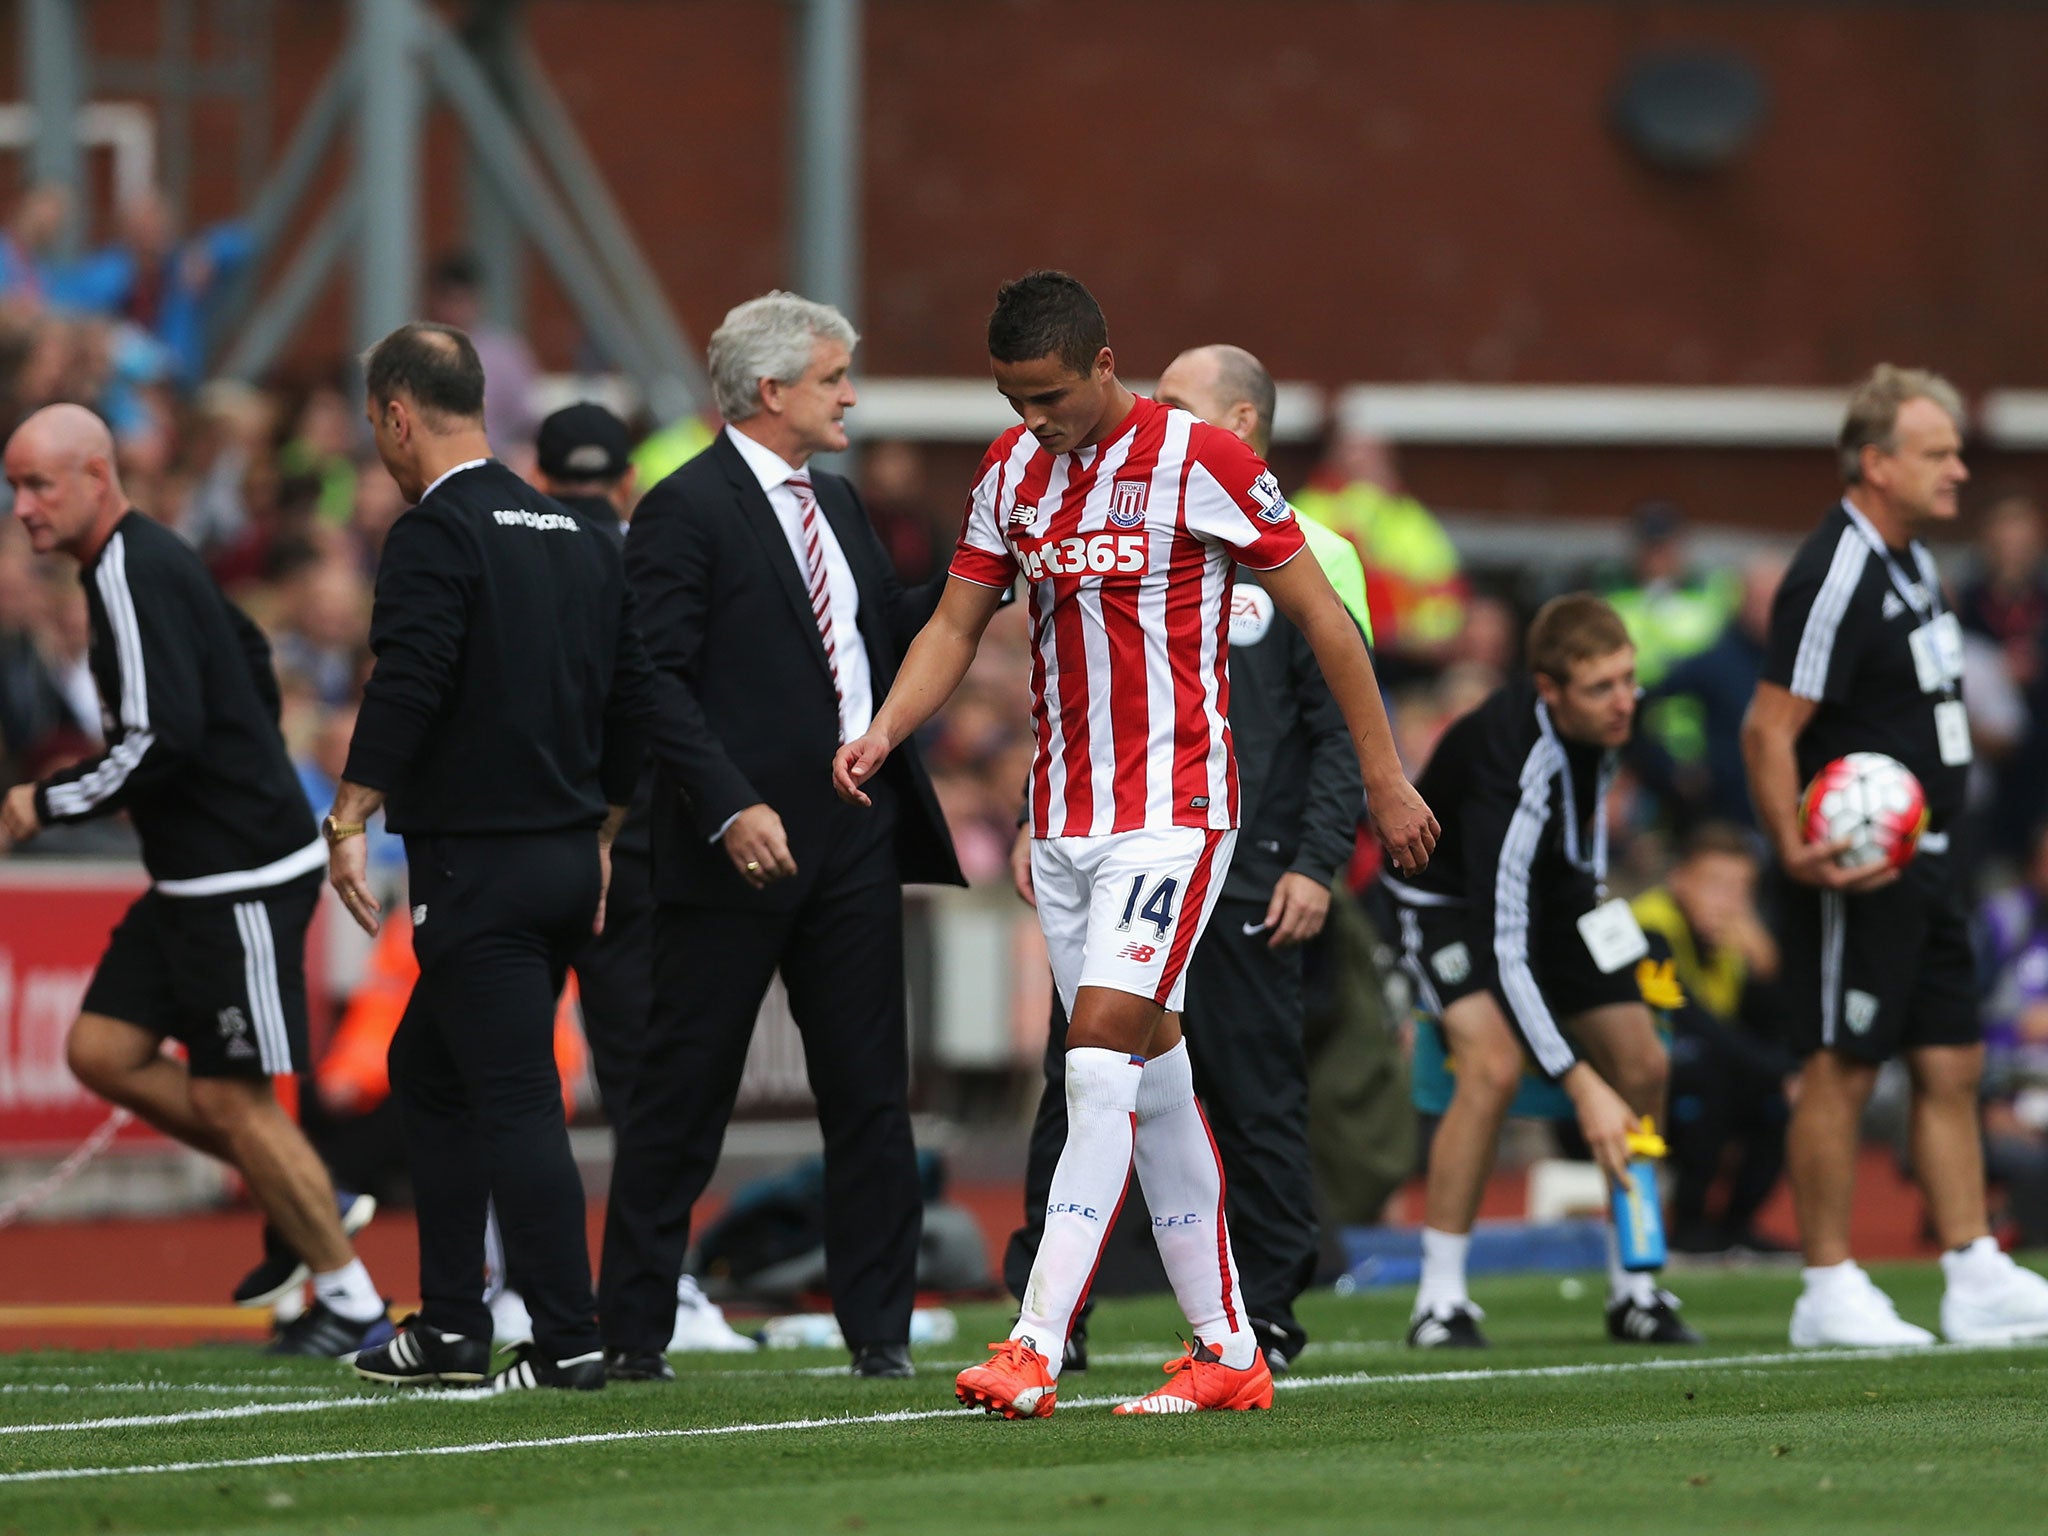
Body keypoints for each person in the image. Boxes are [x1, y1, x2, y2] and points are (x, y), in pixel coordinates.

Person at [834, 271, 1436, 1418]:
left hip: (1176, 816)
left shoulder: (1200, 461)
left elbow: (1323, 620)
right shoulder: (1009, 472)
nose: (1035, 418)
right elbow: (959, 620)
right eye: (1014, 398)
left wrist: (1383, 775)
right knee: (1154, 1081)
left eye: (1051, 394)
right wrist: (882, 734)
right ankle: (1225, 1346)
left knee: (1095, 1056)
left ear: (1105, 366)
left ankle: (1034, 1338)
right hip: (1062, 823)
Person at [597, 292, 962, 1385]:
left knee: (868, 1092)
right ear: (771, 391)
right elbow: (649, 676)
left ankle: (878, 1330)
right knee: (683, 1089)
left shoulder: (840, 504)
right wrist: (726, 802)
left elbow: (882, 630)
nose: (851, 394)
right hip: (732, 849)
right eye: (834, 376)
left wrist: (990, 572)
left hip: (855, 835)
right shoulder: (682, 508)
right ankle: (633, 1329)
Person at [1000, 343, 1365, 1375]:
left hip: (1247, 869)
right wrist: (1046, 812)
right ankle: (1057, 1316)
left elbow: (1340, 725)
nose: (1147, 417)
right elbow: (1080, 685)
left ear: (1240, 422)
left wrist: (1316, 860)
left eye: (1172, 402)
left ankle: (1265, 1313)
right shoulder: (1129, 511)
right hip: (1118, 843)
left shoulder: (1315, 551)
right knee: (1083, 1073)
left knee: (1251, 1094)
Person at [0, 403, 391, 1358]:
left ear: (98, 476)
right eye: (14, 487)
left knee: (235, 1100)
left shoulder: (132, 569)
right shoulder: (139, 563)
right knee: (100, 1049)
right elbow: (248, 659)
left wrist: (43, 802)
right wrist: (247, 754)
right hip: (197, 874)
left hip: (242, 876)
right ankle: (306, 1192)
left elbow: (157, 740)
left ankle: (351, 1301)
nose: (22, 508)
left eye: (39, 483)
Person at [328, 323, 653, 1393]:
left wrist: (348, 814)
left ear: (396, 414)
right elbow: (631, 703)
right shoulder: (571, 527)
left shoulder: (435, 530)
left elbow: (408, 680)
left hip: (482, 865)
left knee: (513, 1096)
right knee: (430, 1068)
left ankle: (566, 1339)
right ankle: (455, 1325)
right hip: (566, 857)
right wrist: (600, 832)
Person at [1742, 363, 2048, 1347]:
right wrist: (1794, 851)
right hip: (1857, 867)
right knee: (1838, 1064)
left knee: (1950, 1060)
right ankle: (1825, 1287)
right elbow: (1764, 727)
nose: (1957, 469)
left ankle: (1970, 1269)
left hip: (1934, 862)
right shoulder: (1831, 570)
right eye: (1936, 452)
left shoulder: (1913, 559)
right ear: (1874, 463)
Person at [1388, 593, 1700, 1348]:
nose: (1624, 701)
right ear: (1549, 689)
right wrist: (1579, 1082)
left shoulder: (1609, 723)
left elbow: (1582, 846)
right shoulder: (1512, 761)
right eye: (1602, 688)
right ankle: (1440, 1300)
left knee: (1646, 1062)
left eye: (1629, 679)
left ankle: (1636, 1288)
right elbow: (1503, 943)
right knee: (1491, 1067)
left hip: (1549, 897)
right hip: (1449, 904)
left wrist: (1613, 936)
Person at [1632, 824, 1793, 1253]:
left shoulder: (1731, 941)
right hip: (1628, 1089)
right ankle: (1688, 1225)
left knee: (1774, 1097)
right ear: (1680, 880)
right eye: (1717, 885)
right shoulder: (1650, 926)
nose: (1731, 902)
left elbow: (1771, 1027)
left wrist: (1766, 971)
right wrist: (1781, 1072)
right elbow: (1691, 1021)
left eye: (1742, 889)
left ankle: (1734, 1226)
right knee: (1715, 1072)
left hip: (1700, 1076)